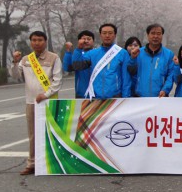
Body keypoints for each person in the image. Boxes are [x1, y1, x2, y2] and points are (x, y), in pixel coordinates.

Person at [10, 31, 63, 175]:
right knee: (33, 134)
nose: (36, 43)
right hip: (31, 102)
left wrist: (45, 95)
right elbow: (15, 76)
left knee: (51, 132)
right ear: (30, 42)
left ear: (45, 41)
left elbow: (57, 81)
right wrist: (15, 62)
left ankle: (53, 162)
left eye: (40, 40)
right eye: (34, 40)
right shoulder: (26, 59)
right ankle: (32, 163)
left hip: (49, 101)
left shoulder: (54, 58)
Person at [71, 23, 132, 99]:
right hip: (95, 97)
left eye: (110, 33)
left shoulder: (122, 53)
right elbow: (77, 66)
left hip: (115, 97)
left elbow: (126, 78)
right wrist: (79, 49)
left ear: (115, 35)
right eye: (104, 33)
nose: (107, 35)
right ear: (100, 35)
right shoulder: (92, 54)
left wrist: (125, 97)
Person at [129, 24, 178, 97]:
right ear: (147, 35)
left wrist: (165, 90)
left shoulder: (168, 54)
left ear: (162, 36)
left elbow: (171, 75)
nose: (155, 36)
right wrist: (132, 59)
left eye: (158, 34)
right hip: (140, 97)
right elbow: (131, 72)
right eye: (152, 33)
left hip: (160, 97)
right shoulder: (138, 53)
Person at [63, 30, 94, 98]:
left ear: (93, 41)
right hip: (81, 93)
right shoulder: (77, 54)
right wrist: (68, 51)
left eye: (89, 39)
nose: (86, 41)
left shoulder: (98, 54)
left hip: (97, 93)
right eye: (83, 39)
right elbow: (67, 68)